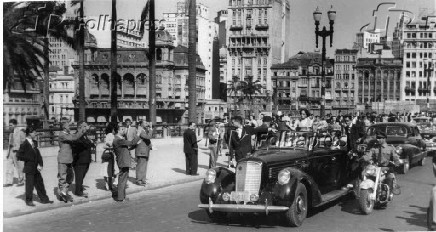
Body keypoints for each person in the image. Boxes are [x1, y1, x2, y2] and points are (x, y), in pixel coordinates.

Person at [16, 127, 53, 206]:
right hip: (29, 168)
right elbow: (18, 155)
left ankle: (44, 199)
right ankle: (28, 201)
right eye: (34, 132)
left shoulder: (34, 142)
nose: (35, 134)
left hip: (36, 167)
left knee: (40, 184)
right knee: (30, 185)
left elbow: (38, 154)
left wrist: (41, 164)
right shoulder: (24, 144)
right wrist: (29, 158)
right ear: (29, 133)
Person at [57, 121, 85, 202]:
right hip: (63, 159)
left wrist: (79, 131)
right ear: (64, 127)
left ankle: (63, 192)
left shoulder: (67, 134)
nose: (70, 127)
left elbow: (74, 137)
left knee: (70, 177)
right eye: (68, 125)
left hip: (68, 159)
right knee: (63, 177)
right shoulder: (62, 134)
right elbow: (74, 138)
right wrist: (81, 130)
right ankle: (63, 193)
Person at [112, 122, 140, 202]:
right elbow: (131, 143)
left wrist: (135, 144)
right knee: (122, 180)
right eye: (122, 129)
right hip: (123, 161)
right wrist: (138, 134)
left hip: (124, 161)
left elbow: (127, 148)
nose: (124, 130)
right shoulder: (118, 140)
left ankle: (123, 196)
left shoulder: (120, 139)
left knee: (124, 179)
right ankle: (120, 197)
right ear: (118, 130)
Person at [72, 121, 94, 197]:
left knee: (82, 176)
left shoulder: (84, 135)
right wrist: (89, 142)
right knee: (79, 176)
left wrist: (90, 142)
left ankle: (79, 189)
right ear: (79, 127)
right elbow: (84, 144)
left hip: (86, 159)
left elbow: (90, 144)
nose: (86, 128)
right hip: (79, 160)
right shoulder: (76, 136)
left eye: (86, 126)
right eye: (84, 126)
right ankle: (78, 192)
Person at [5, 119, 26, 187]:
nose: (10, 126)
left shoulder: (20, 132)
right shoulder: (10, 133)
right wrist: (8, 152)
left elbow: (23, 142)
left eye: (11, 125)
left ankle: (21, 180)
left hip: (17, 151)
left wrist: (21, 151)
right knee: (9, 166)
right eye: (9, 125)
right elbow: (10, 142)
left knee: (19, 166)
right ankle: (9, 181)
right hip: (10, 150)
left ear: (15, 125)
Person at [135, 121, 153, 186]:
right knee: (140, 166)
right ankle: (138, 180)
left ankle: (143, 180)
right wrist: (150, 129)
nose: (146, 124)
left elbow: (147, 139)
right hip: (141, 151)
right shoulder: (140, 130)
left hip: (145, 150)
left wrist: (151, 146)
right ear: (140, 124)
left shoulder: (144, 130)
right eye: (145, 123)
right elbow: (148, 137)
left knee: (144, 166)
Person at [101, 122, 117, 191]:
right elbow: (111, 144)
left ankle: (107, 184)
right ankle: (109, 185)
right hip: (110, 154)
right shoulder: (111, 135)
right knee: (110, 170)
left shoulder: (107, 135)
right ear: (112, 129)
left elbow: (104, 145)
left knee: (106, 170)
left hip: (105, 154)